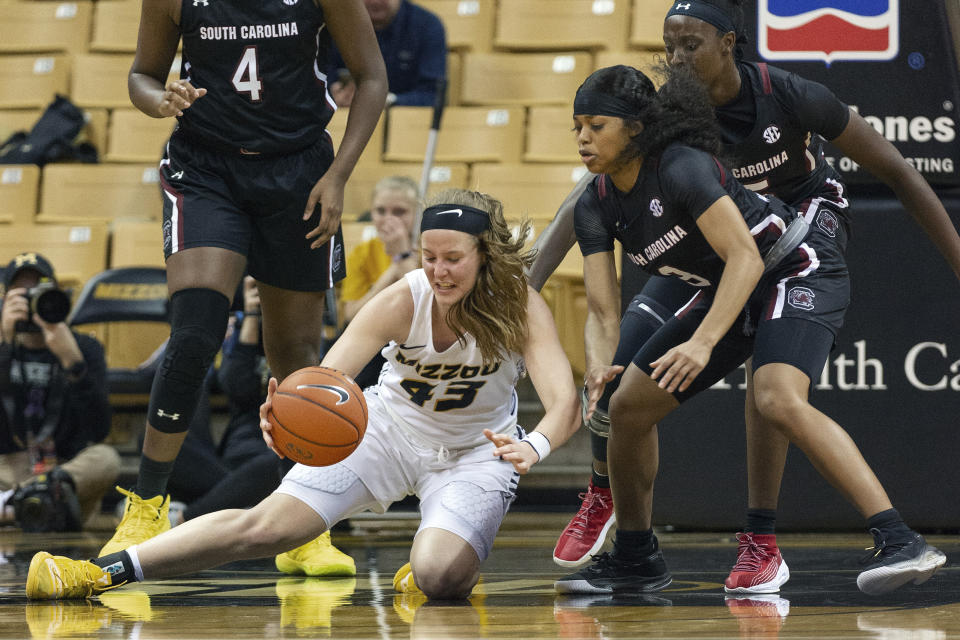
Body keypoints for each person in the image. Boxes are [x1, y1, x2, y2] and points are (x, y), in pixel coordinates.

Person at [533, 0, 960, 593]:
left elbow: (896, 174)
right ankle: (630, 544)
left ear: (729, 43)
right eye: (670, 44)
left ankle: (893, 538)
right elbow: (598, 267)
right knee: (624, 402)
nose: (677, 58)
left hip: (794, 247)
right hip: (724, 259)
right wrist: (528, 290)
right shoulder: (640, 143)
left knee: (774, 394)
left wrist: (705, 340)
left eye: (692, 44)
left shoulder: (780, 99)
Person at [25, 188, 581, 603]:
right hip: (386, 431)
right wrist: (287, 413)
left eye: (452, 259)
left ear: (485, 254)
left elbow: (564, 403)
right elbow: (327, 381)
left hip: (476, 450)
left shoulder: (519, 306)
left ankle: (442, 560)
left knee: (440, 578)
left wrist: (533, 444)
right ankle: (100, 572)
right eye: (428, 256)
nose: (437, 270)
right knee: (267, 526)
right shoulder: (400, 300)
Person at [99, 0, 388, 570]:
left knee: (295, 356)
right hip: (206, 168)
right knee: (195, 332)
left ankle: (302, 527)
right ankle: (147, 505)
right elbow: (141, 75)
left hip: (299, 170)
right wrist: (159, 99)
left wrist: (339, 176)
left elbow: (373, 76)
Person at [0, 253, 119, 532]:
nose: (31, 303)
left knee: (105, 459)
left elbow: (98, 429)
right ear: (5, 300)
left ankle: (15, 507)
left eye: (39, 292)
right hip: (7, 466)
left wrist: (73, 364)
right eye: (22, 295)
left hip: (64, 470)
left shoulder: (84, 347)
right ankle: (31, 506)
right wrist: (4, 347)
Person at [341, 175, 421, 387]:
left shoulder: (430, 250)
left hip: (417, 339)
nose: (389, 219)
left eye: (399, 212)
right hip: (376, 338)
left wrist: (404, 254)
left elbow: (425, 301)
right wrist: (394, 268)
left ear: (417, 213)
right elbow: (352, 314)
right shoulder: (362, 253)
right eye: (380, 211)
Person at [327, 0, 447, 108]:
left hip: (404, 123)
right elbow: (318, 85)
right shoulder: (333, 23)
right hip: (340, 117)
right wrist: (331, 97)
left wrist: (390, 101)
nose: (374, 1)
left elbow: (434, 95)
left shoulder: (427, 26)